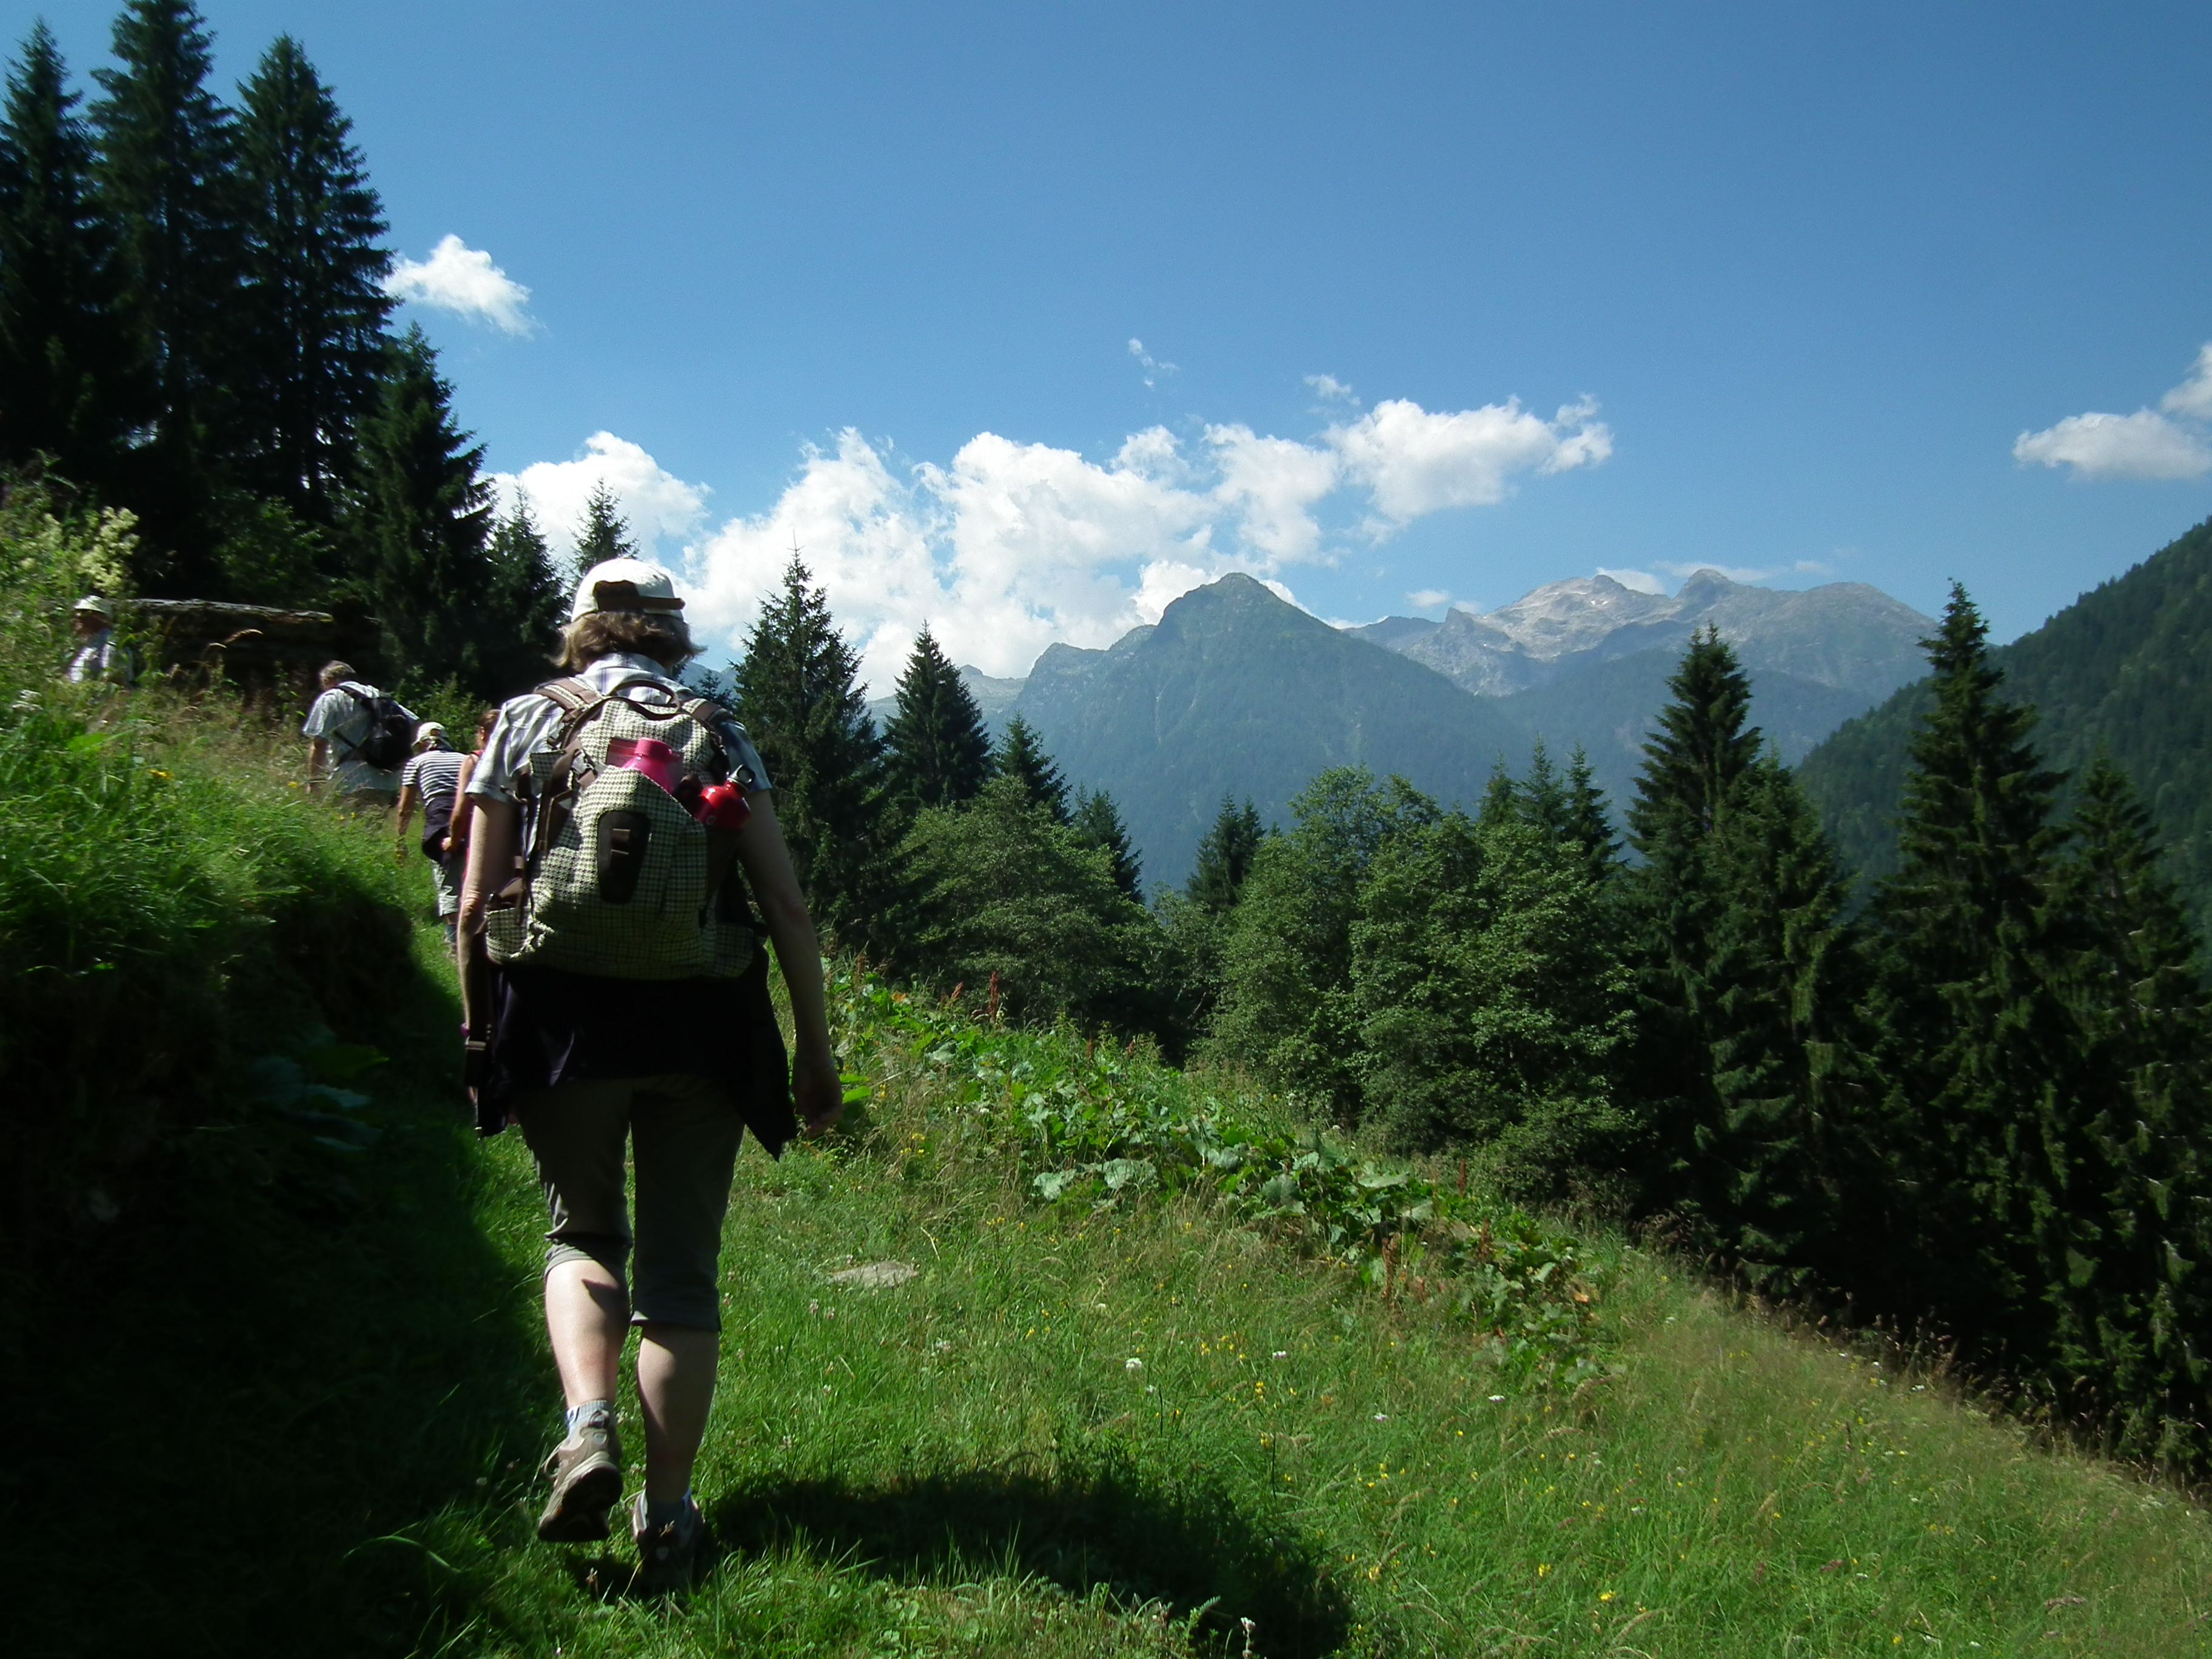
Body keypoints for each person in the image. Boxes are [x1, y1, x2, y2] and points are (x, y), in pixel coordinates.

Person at [456, 557, 843, 1594]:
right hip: (703, 1028)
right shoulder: (718, 729)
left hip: (563, 1020)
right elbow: (787, 907)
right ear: (673, 633)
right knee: (680, 1280)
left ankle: (587, 1431)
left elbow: (474, 903)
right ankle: (667, 1525)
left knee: (582, 1233)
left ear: (579, 629)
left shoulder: (524, 721)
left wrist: (476, 1034)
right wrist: (812, 1047)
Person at [301, 660, 414, 810]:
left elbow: (319, 742)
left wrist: (313, 782)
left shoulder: (331, 697)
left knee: (345, 831)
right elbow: (416, 724)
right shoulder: (381, 696)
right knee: (371, 832)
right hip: (388, 782)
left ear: (329, 680)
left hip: (351, 780)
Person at [394, 722, 466, 943]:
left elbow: (405, 807)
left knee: (448, 881)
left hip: (442, 822)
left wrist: (400, 841)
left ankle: (455, 944)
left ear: (425, 743)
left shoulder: (417, 762)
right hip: (474, 819)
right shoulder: (466, 760)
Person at [65, 595, 134, 686]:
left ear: (101, 617)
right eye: (76, 613)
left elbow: (115, 683)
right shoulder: (91, 644)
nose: (78, 617)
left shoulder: (110, 645)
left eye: (85, 613)